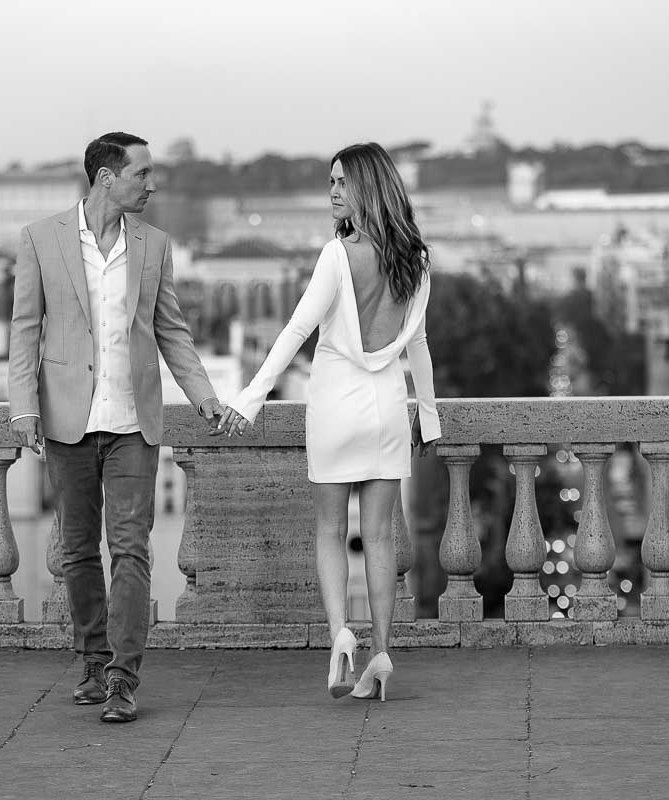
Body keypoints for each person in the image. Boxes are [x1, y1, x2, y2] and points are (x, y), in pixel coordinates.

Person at [8, 132, 225, 723]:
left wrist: (203, 396)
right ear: (107, 177)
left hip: (134, 423)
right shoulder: (40, 239)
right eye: (143, 173)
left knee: (131, 550)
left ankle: (123, 679)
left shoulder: (154, 245)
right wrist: (23, 408)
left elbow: (172, 330)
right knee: (78, 552)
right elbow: (25, 330)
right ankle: (92, 661)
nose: (152, 184)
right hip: (67, 422)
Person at [221, 142, 440, 702]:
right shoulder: (415, 260)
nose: (333, 191)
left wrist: (250, 400)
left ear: (367, 186)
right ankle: (382, 652)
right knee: (383, 536)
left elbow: (295, 331)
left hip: (337, 407)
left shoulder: (337, 256)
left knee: (329, 531)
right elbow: (418, 347)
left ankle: (341, 632)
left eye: (342, 181)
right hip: (388, 409)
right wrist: (431, 418)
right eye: (331, 181)